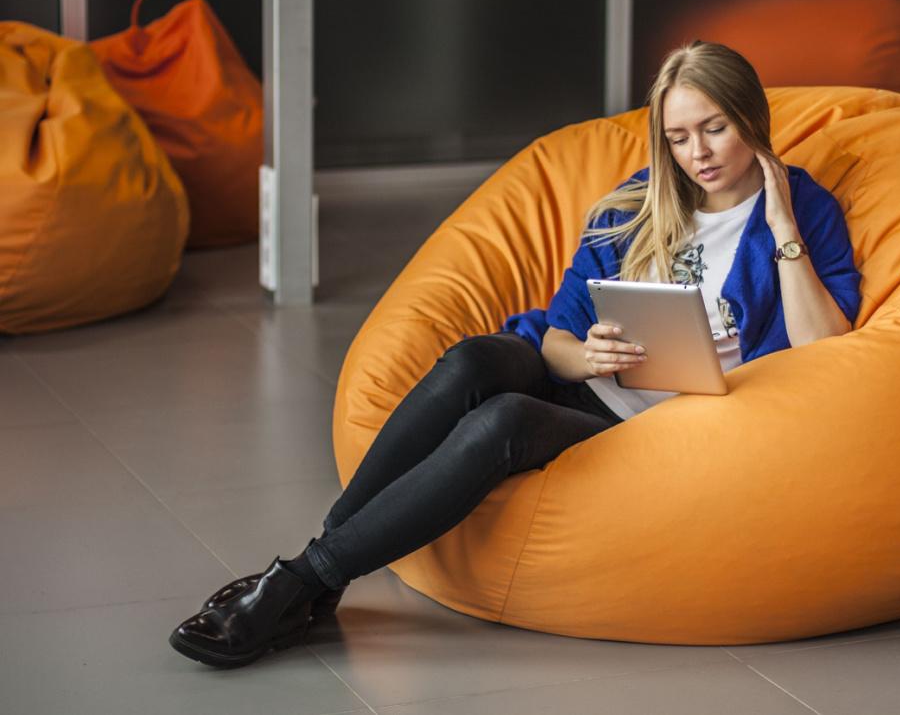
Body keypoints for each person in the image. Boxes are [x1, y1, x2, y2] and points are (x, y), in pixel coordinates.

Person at [168, 41, 862, 668]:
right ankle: (318, 573)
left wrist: (783, 231)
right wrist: (588, 356)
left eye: (715, 128)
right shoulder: (632, 207)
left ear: (751, 119)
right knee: (475, 361)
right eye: (678, 137)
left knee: (502, 423)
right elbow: (558, 340)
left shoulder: (802, 209)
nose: (699, 154)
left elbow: (823, 347)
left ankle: (297, 582)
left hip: (660, 424)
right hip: (593, 384)